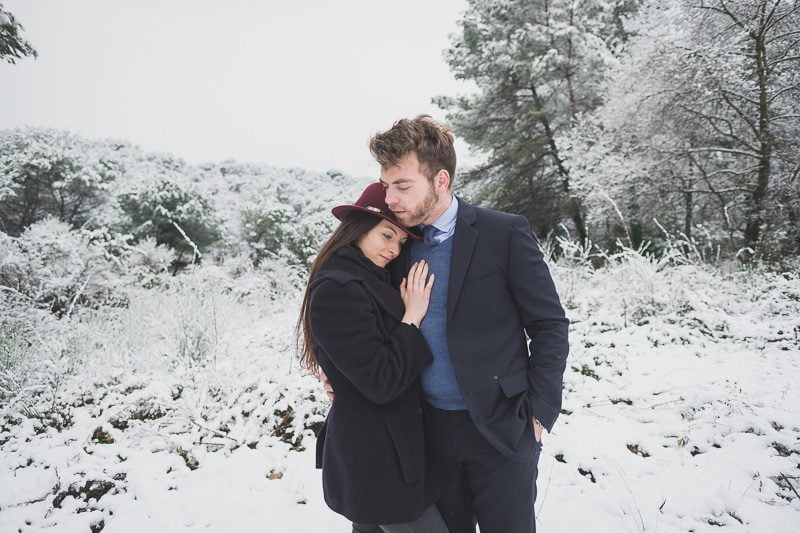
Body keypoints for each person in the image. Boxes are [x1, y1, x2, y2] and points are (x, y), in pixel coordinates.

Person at [367, 115, 571, 533]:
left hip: (502, 427)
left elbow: (549, 323)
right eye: (386, 186)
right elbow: (360, 309)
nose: (390, 198)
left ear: (441, 180)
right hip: (428, 432)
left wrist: (540, 411)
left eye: (402, 186)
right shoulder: (395, 244)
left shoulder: (503, 232)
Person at [296, 182, 450, 533]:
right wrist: (412, 316)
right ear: (359, 228)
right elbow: (381, 381)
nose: (394, 249)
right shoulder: (339, 287)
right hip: (377, 457)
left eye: (401, 241)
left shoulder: (366, 275)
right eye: (386, 235)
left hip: (386, 448)